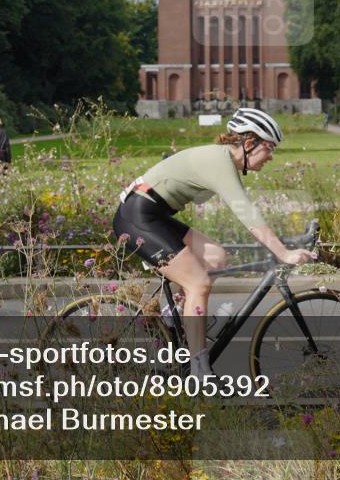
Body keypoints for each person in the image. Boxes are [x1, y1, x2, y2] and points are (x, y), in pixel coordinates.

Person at [112, 108, 314, 378]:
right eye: (269, 148)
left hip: (153, 215)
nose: (271, 156)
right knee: (199, 283)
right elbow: (246, 212)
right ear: (249, 143)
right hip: (137, 217)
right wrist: (283, 252)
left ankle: (174, 318)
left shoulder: (221, 161)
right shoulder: (219, 161)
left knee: (217, 257)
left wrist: (283, 243)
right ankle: (199, 373)